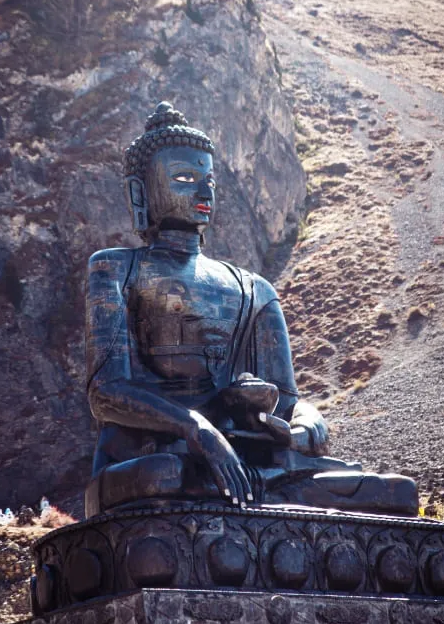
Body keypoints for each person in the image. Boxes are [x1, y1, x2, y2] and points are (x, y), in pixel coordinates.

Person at [85, 103, 417, 517]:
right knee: (168, 476)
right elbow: (106, 392)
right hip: (159, 454)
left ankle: (261, 505)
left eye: (209, 181)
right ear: (141, 191)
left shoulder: (253, 288)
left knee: (394, 493)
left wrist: (306, 427)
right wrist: (196, 429)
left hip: (247, 457)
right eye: (185, 179)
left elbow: (288, 401)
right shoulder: (117, 268)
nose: (204, 192)